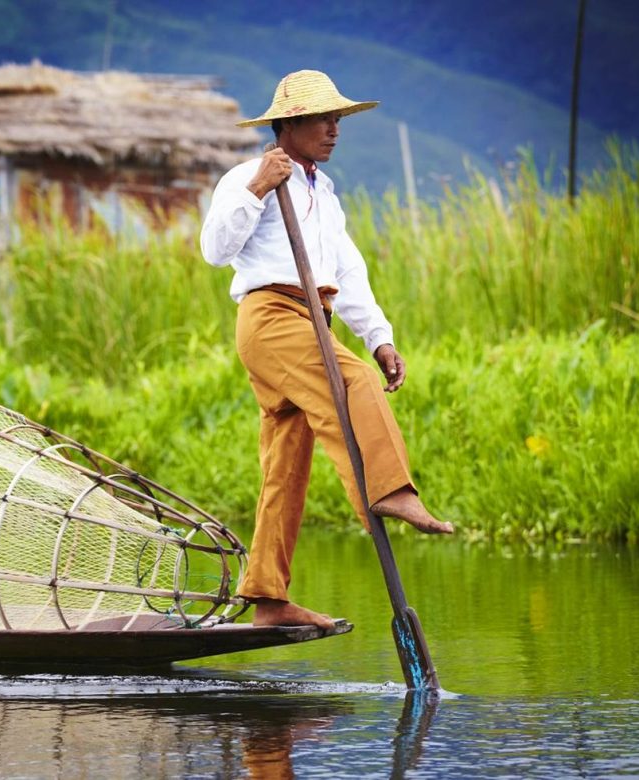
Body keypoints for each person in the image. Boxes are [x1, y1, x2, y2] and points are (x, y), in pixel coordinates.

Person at [200, 70, 453, 630]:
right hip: (271, 318)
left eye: (337, 119)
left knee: (287, 458)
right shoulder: (248, 175)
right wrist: (257, 188)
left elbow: (349, 274)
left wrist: (380, 337)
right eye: (322, 119)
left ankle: (267, 597)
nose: (334, 129)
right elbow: (216, 250)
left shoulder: (325, 194)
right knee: (352, 383)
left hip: (316, 317)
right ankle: (390, 490)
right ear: (287, 126)